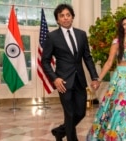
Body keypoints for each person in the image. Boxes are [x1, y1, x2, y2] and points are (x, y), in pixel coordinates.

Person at [41, 4, 99, 141]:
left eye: (68, 15)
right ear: (57, 20)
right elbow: (45, 61)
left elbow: (87, 57)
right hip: (63, 82)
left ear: (72, 17)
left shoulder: (81, 34)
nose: (65, 18)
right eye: (62, 16)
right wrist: (55, 79)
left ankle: (60, 131)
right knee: (70, 114)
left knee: (81, 112)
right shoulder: (52, 37)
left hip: (80, 80)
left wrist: (94, 77)